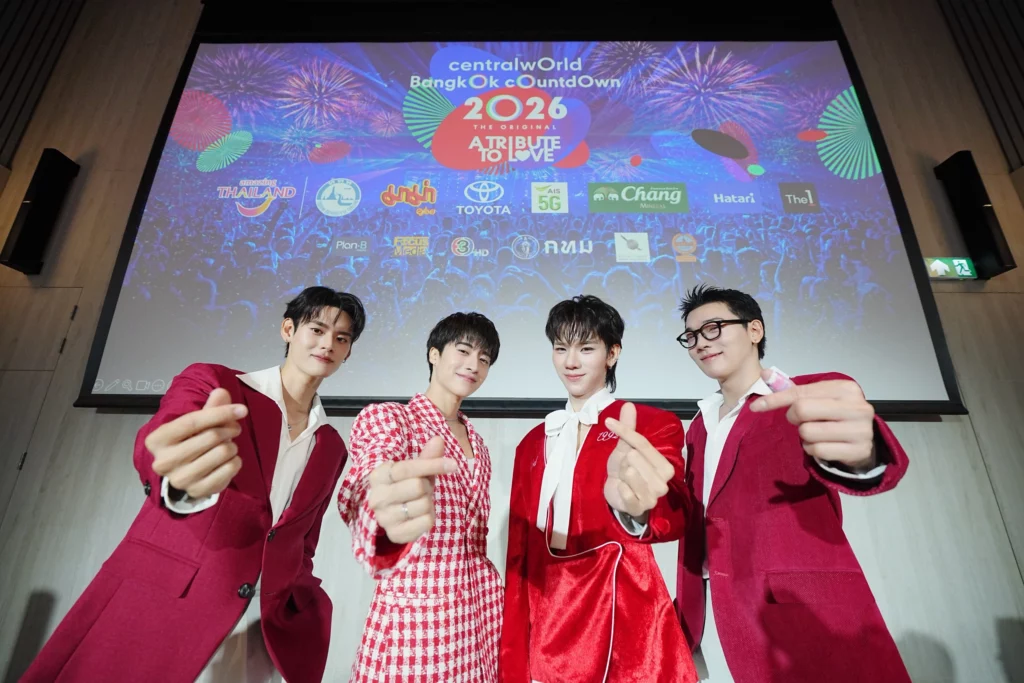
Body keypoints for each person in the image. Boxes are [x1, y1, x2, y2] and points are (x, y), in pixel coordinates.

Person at [21, 286, 366, 682]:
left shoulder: (331, 445)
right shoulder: (215, 383)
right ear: (288, 330)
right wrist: (176, 475)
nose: (328, 344)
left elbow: (303, 543)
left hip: (260, 629)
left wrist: (304, 600)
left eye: (342, 338)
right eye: (317, 330)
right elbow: (164, 439)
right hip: (167, 605)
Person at [638, 284, 911, 683]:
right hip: (709, 615)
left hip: (797, 613)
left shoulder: (804, 396)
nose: (701, 343)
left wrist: (864, 456)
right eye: (691, 336)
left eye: (713, 328)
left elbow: (857, 455)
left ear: (754, 330)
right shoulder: (698, 425)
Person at [500, 295, 697, 683]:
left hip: (627, 619)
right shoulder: (532, 443)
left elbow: (675, 514)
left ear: (612, 353)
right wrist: (512, 660)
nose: (570, 362)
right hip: (550, 620)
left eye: (586, 348)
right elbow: (520, 553)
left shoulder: (648, 424)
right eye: (561, 348)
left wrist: (638, 510)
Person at [338, 312, 503, 682]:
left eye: (484, 359)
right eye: (464, 351)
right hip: (416, 623)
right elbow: (371, 473)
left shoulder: (478, 443)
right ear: (434, 354)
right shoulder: (392, 419)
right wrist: (380, 506)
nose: (473, 365)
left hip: (480, 617)